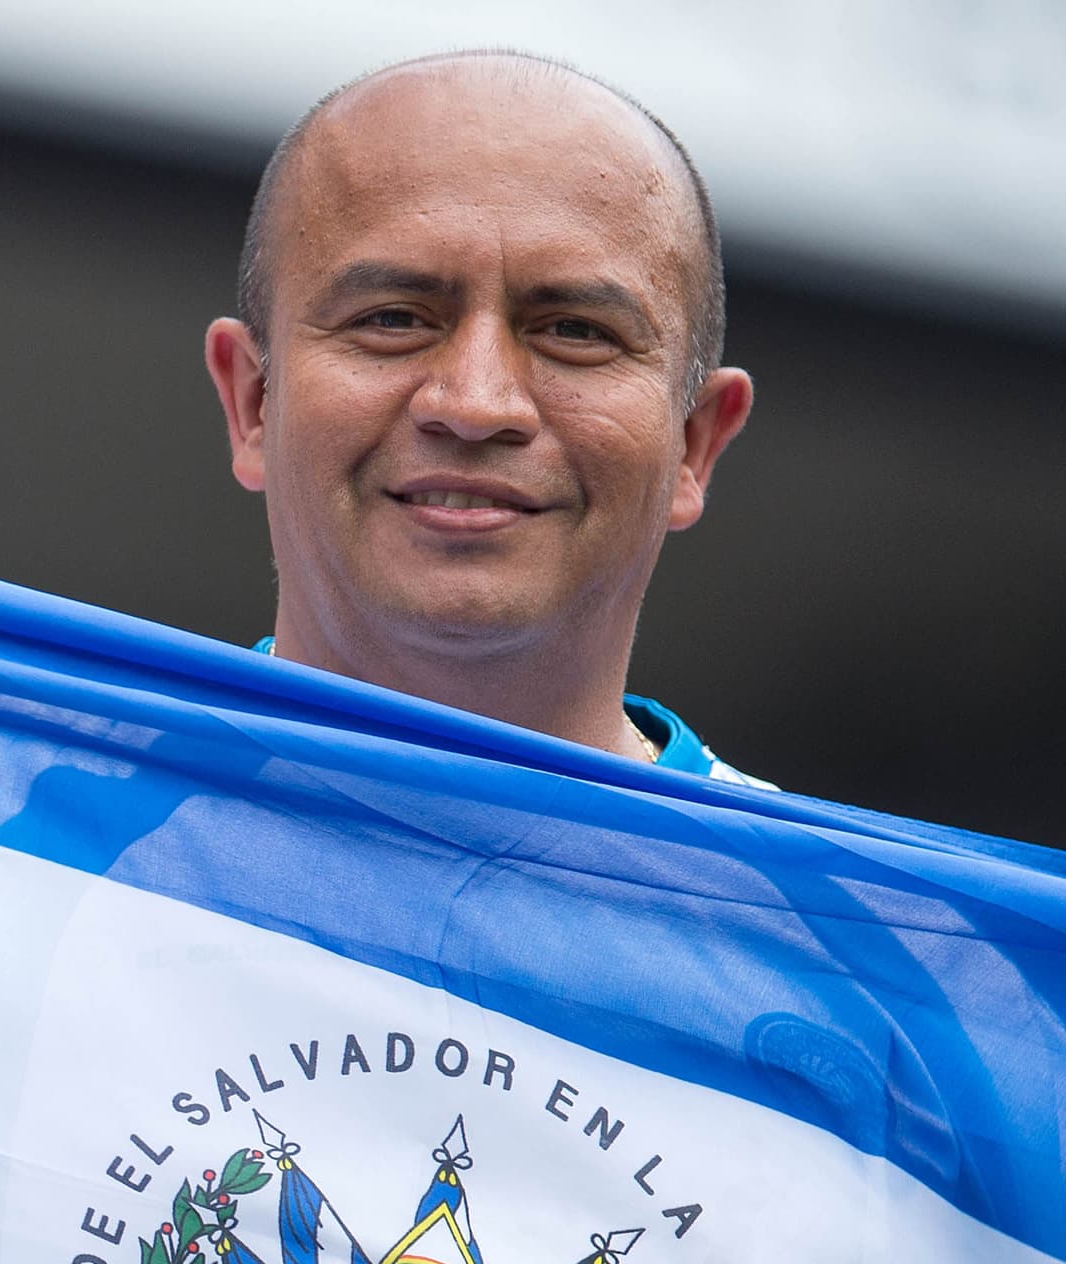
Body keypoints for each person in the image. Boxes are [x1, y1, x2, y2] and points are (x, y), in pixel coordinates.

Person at [206, 48, 765, 785]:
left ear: (695, 443)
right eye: (394, 318)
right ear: (253, 402)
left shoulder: (820, 901)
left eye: (575, 331)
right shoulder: (19, 855)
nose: (475, 405)